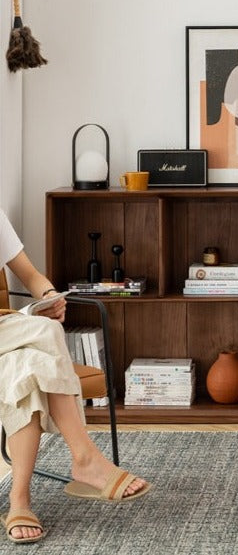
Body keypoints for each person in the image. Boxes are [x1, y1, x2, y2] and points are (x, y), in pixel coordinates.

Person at [0, 208, 149, 544]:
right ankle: (84, 457)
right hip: (12, 332)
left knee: (28, 367)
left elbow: (31, 275)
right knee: (45, 331)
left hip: (6, 332)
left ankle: (19, 500)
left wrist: (49, 297)